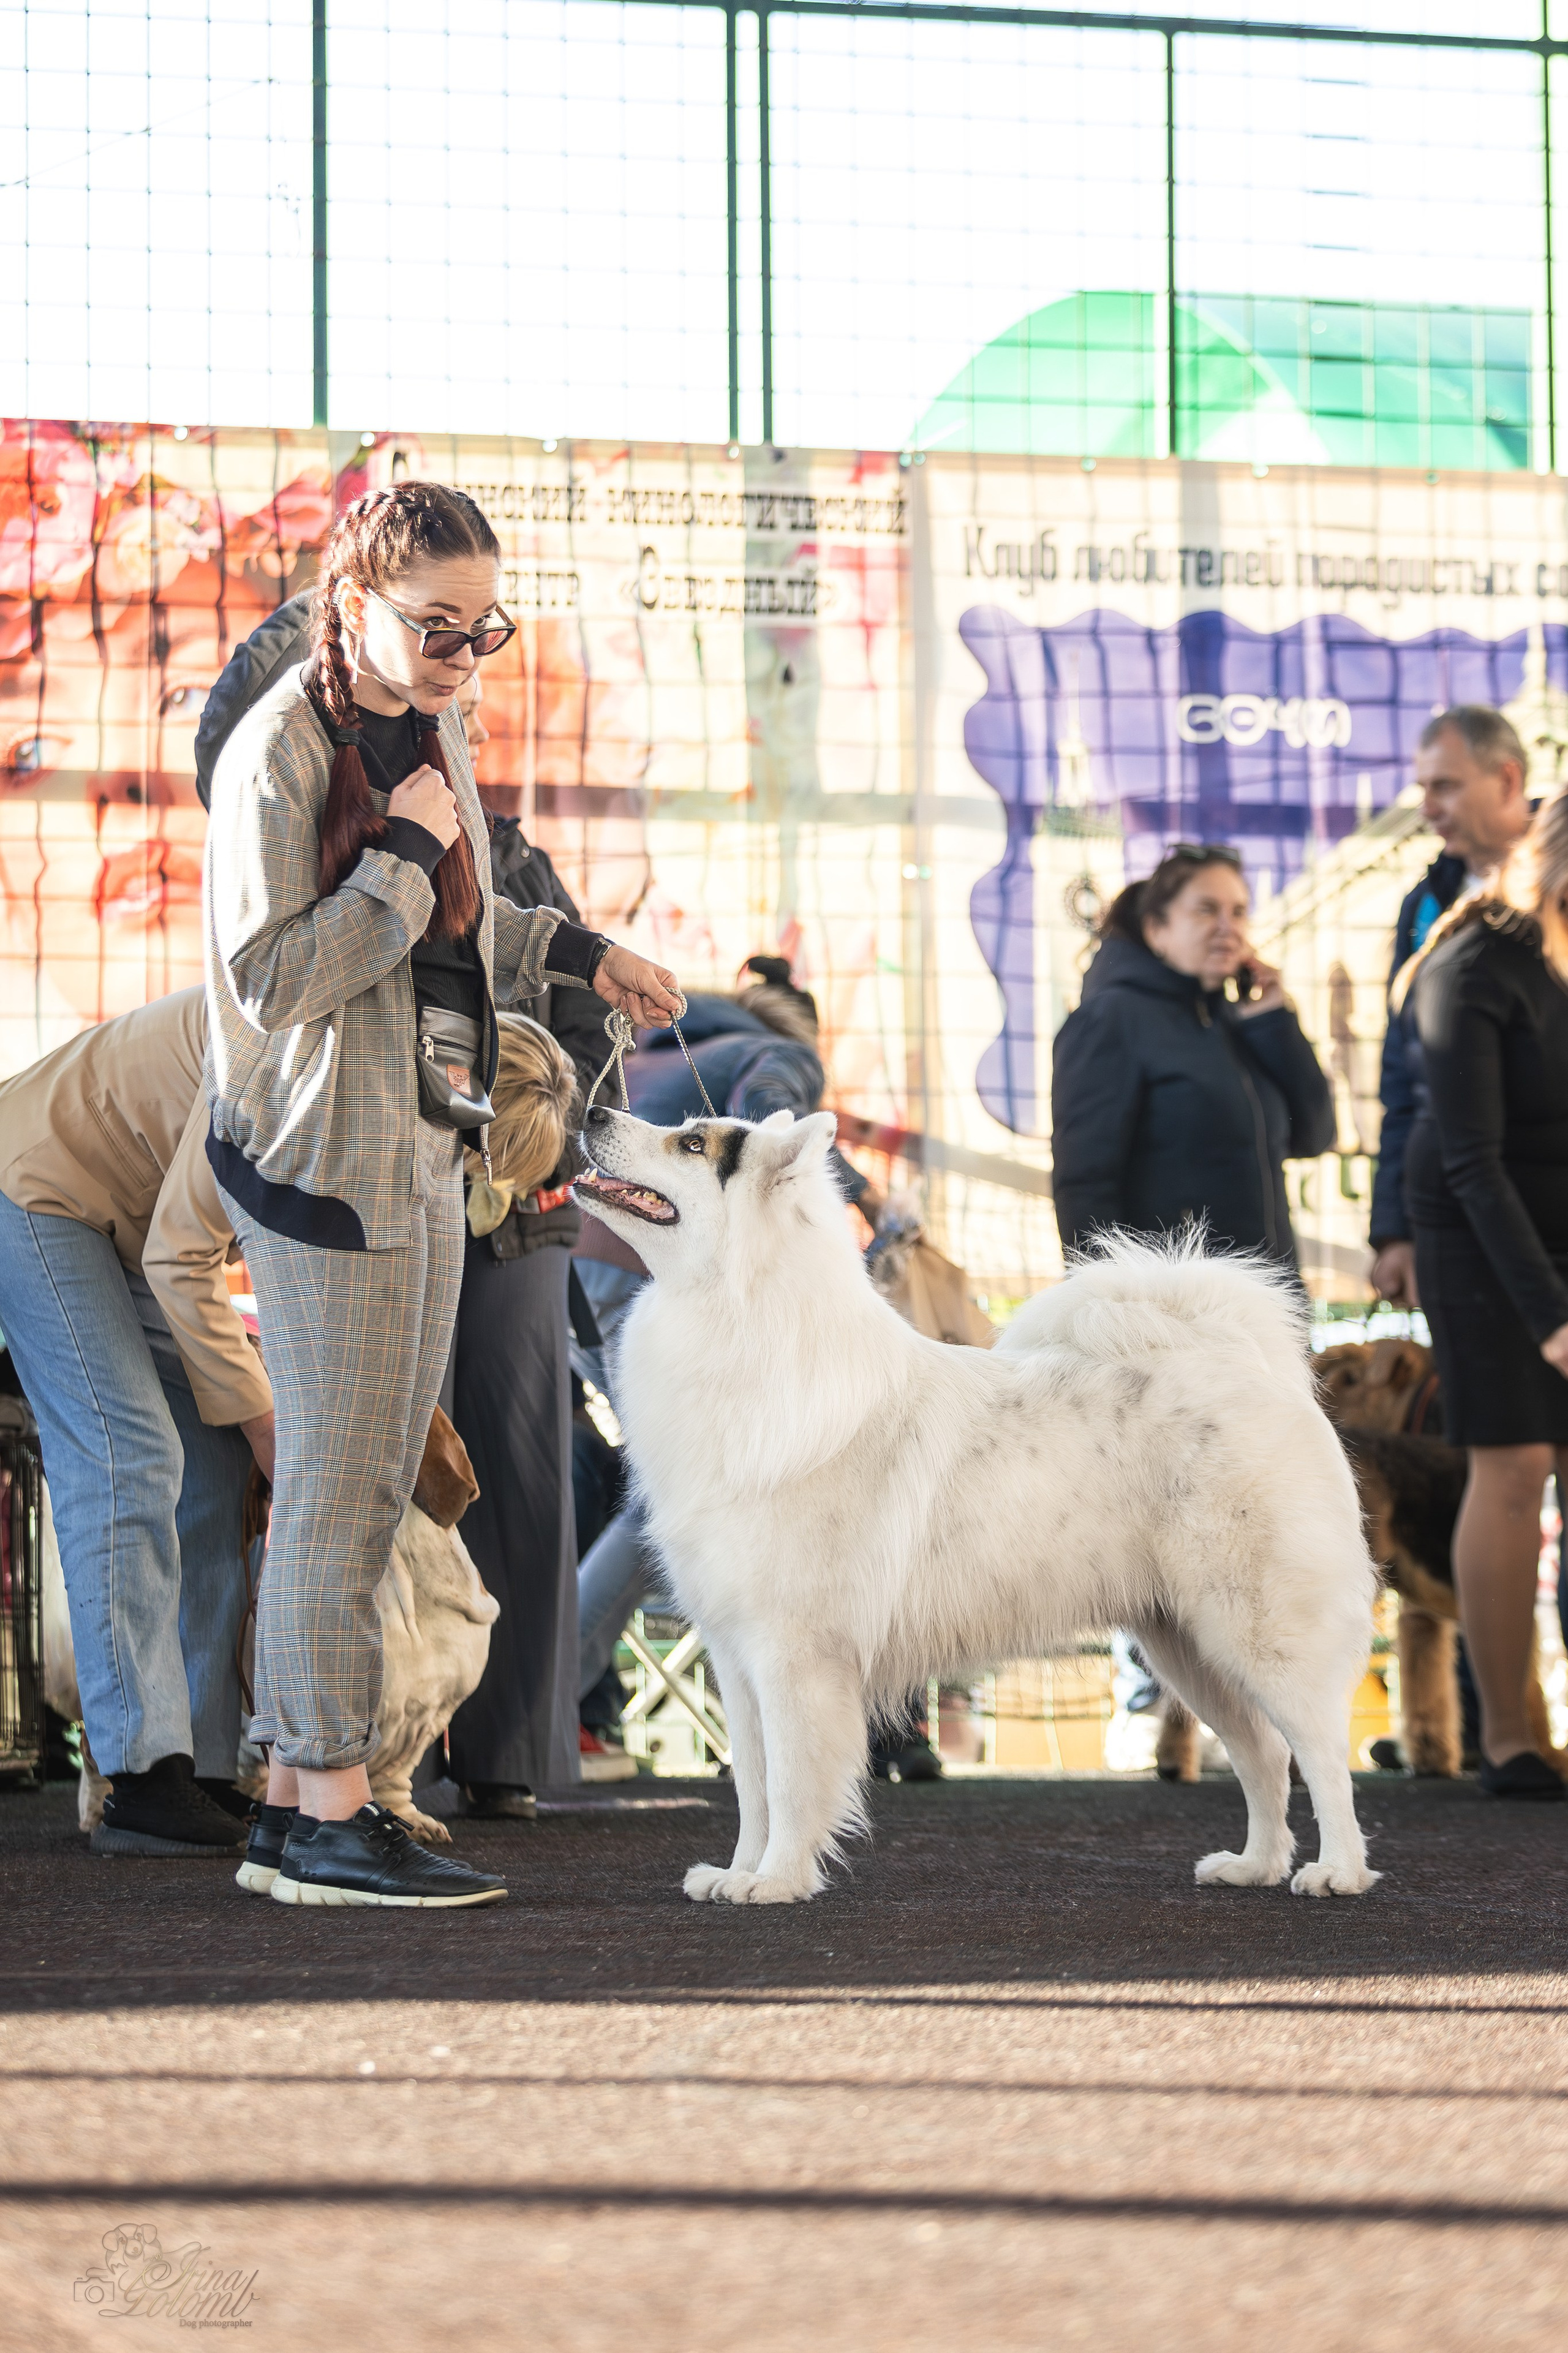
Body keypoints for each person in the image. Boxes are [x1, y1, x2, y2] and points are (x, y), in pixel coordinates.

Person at [204, 479, 681, 1910]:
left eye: (490, 627)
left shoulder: (430, 733)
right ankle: (330, 1805)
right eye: (439, 627)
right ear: (350, 600)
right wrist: (406, 856)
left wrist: (579, 947)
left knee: (373, 1496)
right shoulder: (279, 746)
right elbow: (271, 979)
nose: (470, 654)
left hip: (423, 1148)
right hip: (322, 1163)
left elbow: (466, 931)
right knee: (336, 1496)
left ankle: (302, 1803)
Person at [0, 989, 273, 1857]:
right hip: (37, 1186)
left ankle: (208, 1766)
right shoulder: (286, 1052)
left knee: (222, 1457)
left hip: (132, 1219)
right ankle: (140, 1778)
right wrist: (277, 1428)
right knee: (128, 1456)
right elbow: (184, 1257)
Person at [434, 670, 615, 1816]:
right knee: (386, 1474)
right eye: (463, 714)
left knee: (520, 1471)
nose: (479, 734)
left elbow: (588, 1028)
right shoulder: (340, 827)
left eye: (484, 719)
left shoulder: (517, 859)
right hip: (382, 1198)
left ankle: (513, 1756)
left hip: (516, 1210)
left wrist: (538, 1137)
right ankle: (366, 1753)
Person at [1401, 787, 1568, 1798]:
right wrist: (1548, 1315)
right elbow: (1470, 1161)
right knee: (1513, 1468)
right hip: (1479, 1237)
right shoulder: (1475, 962)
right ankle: (1509, 1736)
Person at [1051, 843, 1335, 1268]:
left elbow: (1315, 1136)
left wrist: (1275, 1024)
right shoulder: (1112, 1018)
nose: (1229, 927)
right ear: (1156, 930)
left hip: (1266, 1303)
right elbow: (1085, 1184)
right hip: (1173, 1310)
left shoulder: (1239, 1021)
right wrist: (1112, 1309)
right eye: (1206, 910)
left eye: (1239, 912)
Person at [1371, 708, 1534, 1312]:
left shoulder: (1558, 884)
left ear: (1508, 779)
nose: (1427, 807)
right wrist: (1394, 1228)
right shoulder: (1424, 906)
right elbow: (1401, 1074)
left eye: (1445, 785)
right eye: (1422, 789)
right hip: (1458, 1216)